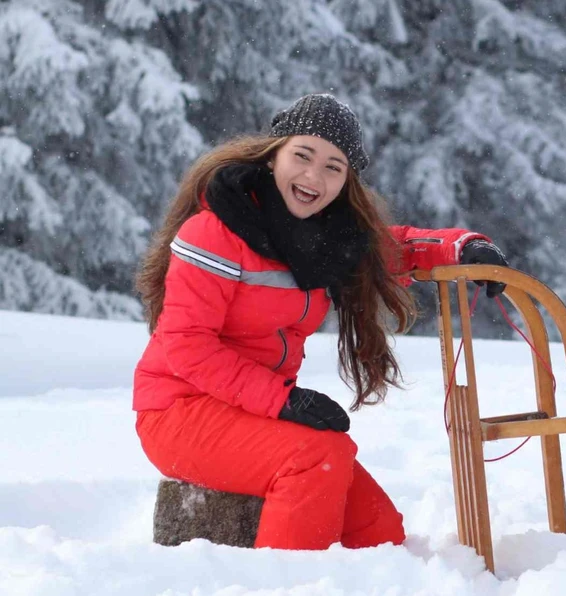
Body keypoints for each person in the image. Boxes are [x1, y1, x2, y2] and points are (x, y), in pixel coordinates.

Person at [131, 93, 510, 550]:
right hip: (178, 411)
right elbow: (187, 345)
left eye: (334, 166)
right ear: (274, 156)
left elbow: (393, 248)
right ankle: (289, 593)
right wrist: (283, 402)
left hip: (251, 411)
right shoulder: (214, 233)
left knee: (378, 531)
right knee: (315, 456)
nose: (314, 176)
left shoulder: (323, 237)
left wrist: (461, 247)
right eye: (303, 155)